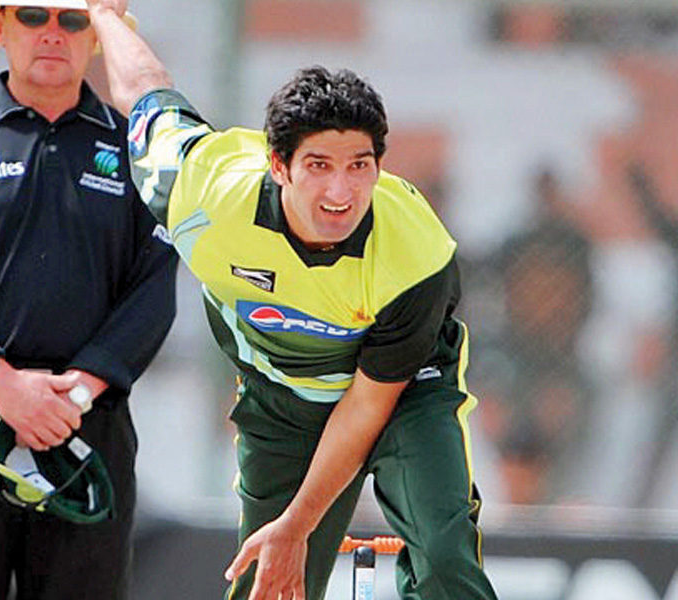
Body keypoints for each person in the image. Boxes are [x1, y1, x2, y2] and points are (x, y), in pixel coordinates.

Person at [88, 1, 499, 599]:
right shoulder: (205, 194)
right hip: (280, 396)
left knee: (443, 559)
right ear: (278, 165)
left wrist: (299, 523)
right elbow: (146, 95)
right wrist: (102, 15)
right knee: (270, 581)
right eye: (318, 165)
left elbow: (365, 404)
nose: (341, 191)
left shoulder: (415, 252)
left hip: (401, 395)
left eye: (361, 165)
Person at [0, 1, 178, 599]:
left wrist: (71, 396)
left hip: (86, 421)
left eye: (72, 20)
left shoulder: (133, 150)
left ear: (95, 38)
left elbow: (153, 291)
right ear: (1, 27)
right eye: (32, 16)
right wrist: (4, 386)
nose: (53, 33)